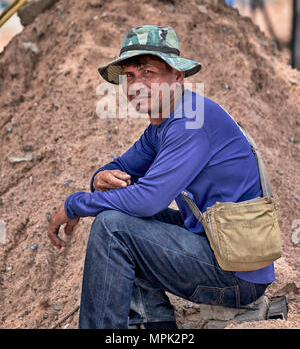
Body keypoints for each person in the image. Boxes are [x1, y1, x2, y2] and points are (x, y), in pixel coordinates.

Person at [47, 25, 275, 329]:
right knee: (119, 219)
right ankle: (155, 327)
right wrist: (99, 178)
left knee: (114, 227)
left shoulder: (192, 122)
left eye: (148, 72)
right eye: (129, 76)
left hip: (237, 272)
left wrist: (76, 204)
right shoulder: (163, 125)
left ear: (177, 77)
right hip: (216, 244)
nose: (135, 85)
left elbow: (147, 200)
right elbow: (121, 166)